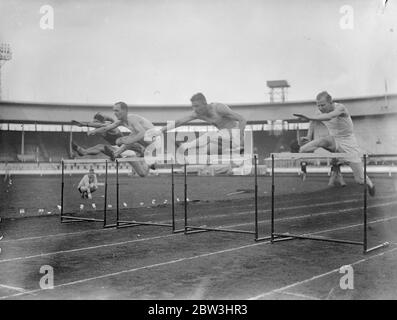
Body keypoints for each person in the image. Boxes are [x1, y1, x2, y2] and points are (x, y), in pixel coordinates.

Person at [293, 91, 375, 196]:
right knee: (320, 142)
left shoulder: (340, 108)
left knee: (359, 180)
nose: (320, 108)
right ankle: (299, 152)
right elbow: (313, 122)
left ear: (330, 102)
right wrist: (309, 136)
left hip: (348, 143)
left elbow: (329, 116)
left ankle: (370, 184)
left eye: (322, 105)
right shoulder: (319, 112)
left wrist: (309, 117)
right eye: (318, 105)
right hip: (334, 140)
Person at [157, 93, 246, 160]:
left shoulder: (218, 108)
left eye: (197, 106)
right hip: (222, 139)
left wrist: (240, 140)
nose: (195, 109)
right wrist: (160, 131)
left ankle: (185, 146)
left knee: (210, 134)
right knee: (204, 151)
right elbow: (179, 122)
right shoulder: (198, 114)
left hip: (235, 134)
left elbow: (242, 119)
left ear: (204, 104)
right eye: (193, 107)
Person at [86, 102, 157, 177]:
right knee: (122, 141)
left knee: (124, 140)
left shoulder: (132, 119)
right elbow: (107, 128)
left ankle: (142, 153)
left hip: (152, 139)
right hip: (142, 138)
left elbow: (142, 133)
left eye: (117, 111)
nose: (114, 113)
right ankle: (117, 153)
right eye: (114, 111)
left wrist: (130, 141)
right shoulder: (120, 121)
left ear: (124, 111)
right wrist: (94, 131)